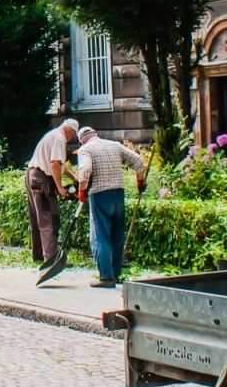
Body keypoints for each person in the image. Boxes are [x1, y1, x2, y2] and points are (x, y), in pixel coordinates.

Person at [73, 127, 146, 288]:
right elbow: (139, 161)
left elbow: (85, 170)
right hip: (118, 194)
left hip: (100, 195)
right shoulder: (114, 145)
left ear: (82, 140)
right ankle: (115, 274)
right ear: (95, 135)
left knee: (100, 236)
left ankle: (106, 277)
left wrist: (81, 191)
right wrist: (139, 182)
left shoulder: (85, 149)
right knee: (116, 235)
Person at [25, 118, 78, 263]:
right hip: (42, 180)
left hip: (32, 176)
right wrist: (60, 187)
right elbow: (54, 164)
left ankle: (38, 256)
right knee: (49, 219)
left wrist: (73, 177)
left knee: (37, 218)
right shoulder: (59, 138)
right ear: (71, 131)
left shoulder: (53, 134)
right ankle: (50, 259)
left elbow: (60, 164)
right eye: (73, 135)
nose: (72, 138)